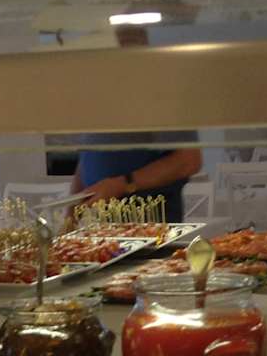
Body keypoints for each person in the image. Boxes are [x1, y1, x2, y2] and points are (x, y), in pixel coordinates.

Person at [69, 25, 202, 222]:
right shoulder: (100, 97)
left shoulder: (160, 94)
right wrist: (71, 214)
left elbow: (188, 161)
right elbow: (88, 159)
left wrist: (122, 184)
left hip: (149, 224)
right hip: (100, 225)